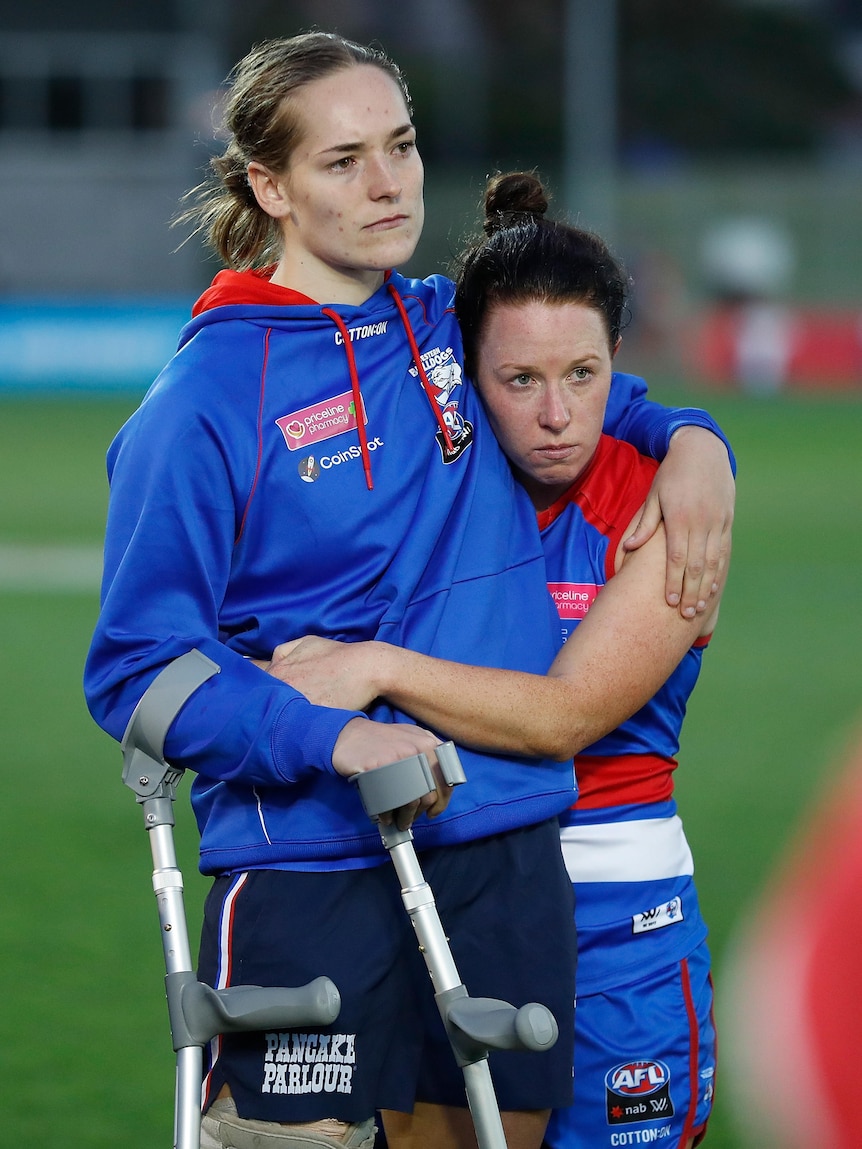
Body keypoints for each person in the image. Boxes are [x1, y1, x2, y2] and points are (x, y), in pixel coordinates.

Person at [83, 33, 733, 1149]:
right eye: (342, 162)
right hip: (309, 860)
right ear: (268, 186)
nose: (387, 185)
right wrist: (326, 738)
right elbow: (136, 668)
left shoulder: (444, 322)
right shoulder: (201, 401)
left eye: (401, 145)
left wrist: (694, 443)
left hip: (502, 843)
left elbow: (582, 386)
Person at [265, 171, 727, 1149]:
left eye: (584, 376)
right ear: (468, 374)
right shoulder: (430, 481)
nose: (557, 414)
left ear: (615, 365)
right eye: (519, 381)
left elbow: (565, 718)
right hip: (442, 900)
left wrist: (380, 667)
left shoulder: (667, 504)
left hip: (617, 925)